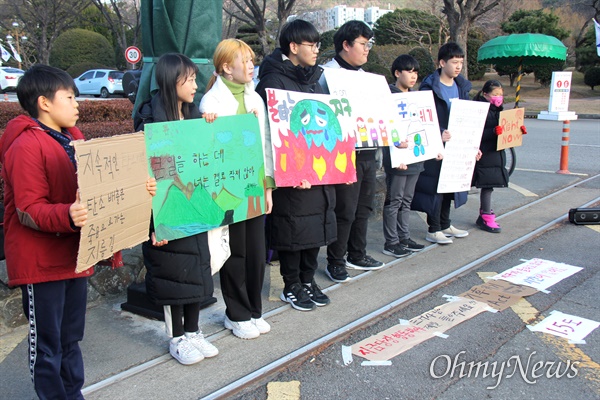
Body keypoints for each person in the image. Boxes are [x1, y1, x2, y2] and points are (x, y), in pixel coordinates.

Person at [0, 64, 156, 399]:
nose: (77, 104)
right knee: (48, 343)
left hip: (72, 256)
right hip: (40, 263)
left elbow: (100, 190)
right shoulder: (26, 146)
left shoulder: (73, 139)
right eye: (69, 97)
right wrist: (68, 215)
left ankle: (73, 393)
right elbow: (28, 209)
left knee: (70, 336)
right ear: (44, 102)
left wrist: (137, 189)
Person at [134, 53, 219, 365]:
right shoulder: (149, 121)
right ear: (173, 81)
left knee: (196, 271)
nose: (196, 85)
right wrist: (152, 225)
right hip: (166, 214)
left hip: (194, 209)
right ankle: (177, 337)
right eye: (191, 79)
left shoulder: (193, 116)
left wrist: (207, 126)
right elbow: (142, 176)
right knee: (172, 275)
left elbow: (210, 160)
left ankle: (194, 331)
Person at [255, 19, 336, 311]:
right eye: (311, 45)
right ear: (293, 47)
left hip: (317, 172)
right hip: (290, 174)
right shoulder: (272, 82)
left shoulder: (312, 79)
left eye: (317, 45)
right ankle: (291, 285)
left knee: (314, 228)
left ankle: (308, 280)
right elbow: (270, 135)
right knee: (293, 230)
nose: (316, 50)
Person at [199, 39, 274, 339]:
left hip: (254, 185)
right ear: (226, 68)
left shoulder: (255, 98)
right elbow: (209, 149)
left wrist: (268, 187)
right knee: (235, 251)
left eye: (252, 59)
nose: (251, 65)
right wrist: (208, 125)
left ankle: (254, 310)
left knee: (256, 252)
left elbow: (265, 146)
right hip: (228, 190)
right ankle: (237, 313)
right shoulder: (211, 103)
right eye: (245, 60)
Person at [319, 20, 384, 283]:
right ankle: (335, 260)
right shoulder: (327, 75)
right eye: (363, 44)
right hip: (344, 153)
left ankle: (357, 253)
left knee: (363, 207)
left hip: (368, 150)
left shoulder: (368, 78)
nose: (367, 49)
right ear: (345, 45)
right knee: (344, 209)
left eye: (369, 44)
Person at [414, 42, 472, 245]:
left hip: (456, 144)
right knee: (435, 186)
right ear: (442, 62)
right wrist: (438, 133)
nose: (458, 67)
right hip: (436, 144)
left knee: (451, 184)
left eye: (461, 63)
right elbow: (422, 116)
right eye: (454, 62)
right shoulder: (430, 86)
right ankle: (433, 228)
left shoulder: (462, 86)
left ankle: (446, 223)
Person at [382, 55, 427, 258]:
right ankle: (391, 242)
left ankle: (404, 237)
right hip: (398, 159)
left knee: (407, 200)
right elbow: (383, 128)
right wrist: (394, 149)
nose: (413, 76)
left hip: (416, 157)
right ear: (397, 73)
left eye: (416, 72)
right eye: (409, 71)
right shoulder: (387, 96)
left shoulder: (417, 98)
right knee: (395, 200)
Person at [472, 79, 526, 233]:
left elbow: (504, 132)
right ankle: (486, 216)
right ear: (485, 94)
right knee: (487, 184)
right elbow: (476, 133)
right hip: (485, 153)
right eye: (495, 94)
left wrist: (517, 130)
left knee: (489, 185)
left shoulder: (499, 110)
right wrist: (493, 133)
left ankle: (486, 214)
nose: (498, 97)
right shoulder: (480, 110)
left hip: (496, 153)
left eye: (501, 94)